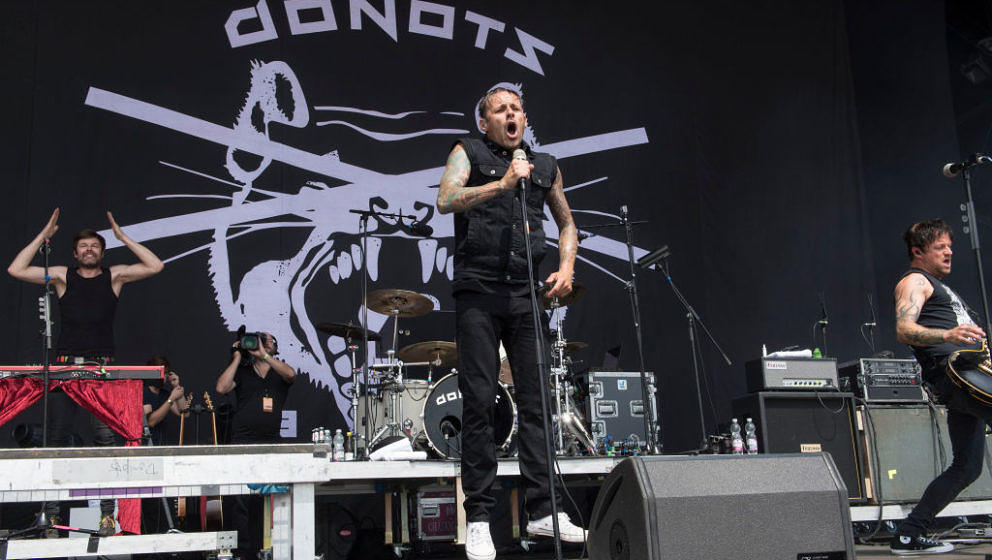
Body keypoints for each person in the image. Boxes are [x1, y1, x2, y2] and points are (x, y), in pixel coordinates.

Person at [435, 86, 582, 560]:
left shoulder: (544, 166)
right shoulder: (469, 152)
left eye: (517, 108)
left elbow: (566, 224)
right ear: (485, 122)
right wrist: (501, 184)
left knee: (537, 400)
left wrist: (567, 266)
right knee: (480, 402)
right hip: (478, 291)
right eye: (501, 110)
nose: (511, 114)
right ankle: (479, 517)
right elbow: (445, 199)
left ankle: (543, 509)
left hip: (525, 292)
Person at [7, 208, 164, 536]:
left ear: (102, 252)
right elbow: (16, 269)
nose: (89, 249)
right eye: (83, 246)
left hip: (100, 369)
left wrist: (123, 237)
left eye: (95, 245)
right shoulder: (63, 276)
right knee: (55, 441)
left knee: (104, 442)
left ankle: (108, 516)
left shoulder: (115, 276)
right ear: (74, 252)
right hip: (66, 367)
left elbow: (155, 265)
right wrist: (43, 235)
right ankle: (49, 517)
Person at [891, 218, 988, 555]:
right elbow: (904, 328)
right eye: (940, 247)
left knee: (967, 467)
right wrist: (947, 335)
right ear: (918, 252)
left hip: (967, 377)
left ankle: (908, 534)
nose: (949, 252)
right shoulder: (916, 281)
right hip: (957, 377)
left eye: (950, 246)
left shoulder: (937, 285)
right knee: (966, 465)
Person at [216, 331, 295, 558]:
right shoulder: (243, 372)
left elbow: (291, 375)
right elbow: (221, 388)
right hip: (243, 440)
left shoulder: (280, 369)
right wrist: (238, 357)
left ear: (274, 347)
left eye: (266, 339)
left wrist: (264, 355)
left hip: (271, 441)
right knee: (240, 497)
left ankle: (272, 547)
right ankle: (243, 551)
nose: (261, 342)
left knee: (272, 495)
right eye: (258, 339)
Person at [142, 356, 186, 446]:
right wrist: (171, 399)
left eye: (166, 373)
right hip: (144, 445)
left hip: (160, 445)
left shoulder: (164, 394)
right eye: (162, 373)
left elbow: (183, 414)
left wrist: (176, 386)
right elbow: (150, 422)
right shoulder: (143, 391)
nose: (165, 377)